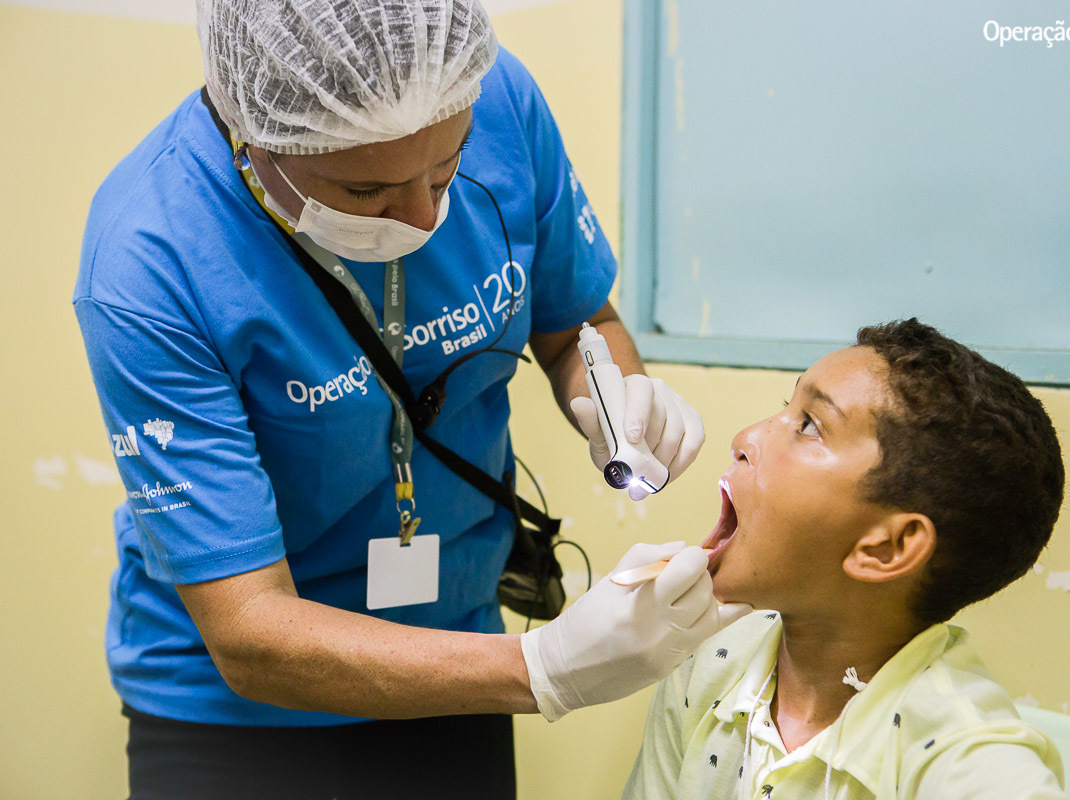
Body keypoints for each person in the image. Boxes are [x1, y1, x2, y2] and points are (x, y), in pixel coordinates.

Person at [74, 2, 748, 797]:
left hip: (456, 661)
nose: (428, 218)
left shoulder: (496, 100)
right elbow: (251, 632)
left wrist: (613, 394)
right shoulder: (152, 258)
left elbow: (576, 327)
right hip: (235, 717)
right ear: (253, 136)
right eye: (367, 190)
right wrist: (547, 667)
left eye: (448, 167)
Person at [623, 319, 1070, 800]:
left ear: (887, 547)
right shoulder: (707, 658)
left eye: (811, 426)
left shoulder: (969, 764)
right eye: (785, 408)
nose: (744, 437)